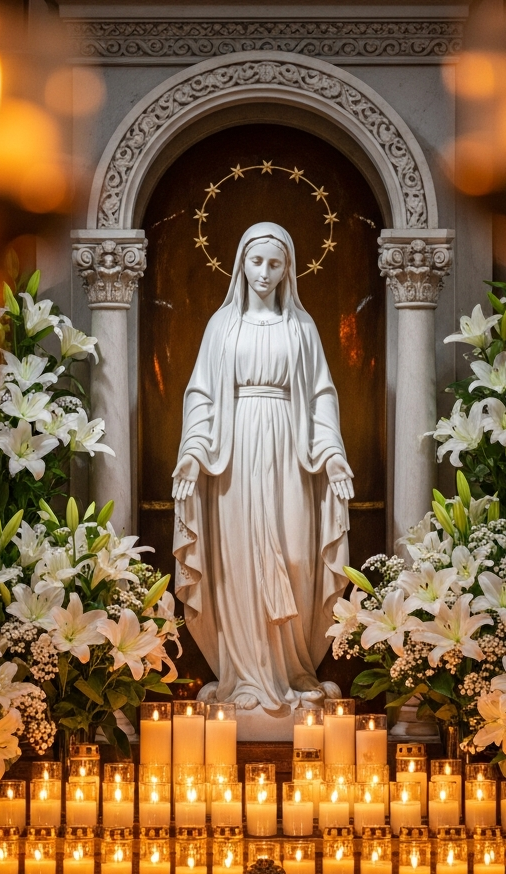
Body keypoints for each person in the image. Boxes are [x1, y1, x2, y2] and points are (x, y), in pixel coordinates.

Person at [171, 222, 352, 731]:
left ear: (288, 268)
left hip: (291, 453)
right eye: (257, 262)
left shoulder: (302, 328)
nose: (265, 273)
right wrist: (192, 451)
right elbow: (201, 394)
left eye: (276, 264)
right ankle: (244, 680)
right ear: (240, 264)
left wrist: (332, 452)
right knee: (241, 564)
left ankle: (291, 676)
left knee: (294, 556)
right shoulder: (222, 326)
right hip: (233, 453)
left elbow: (321, 395)